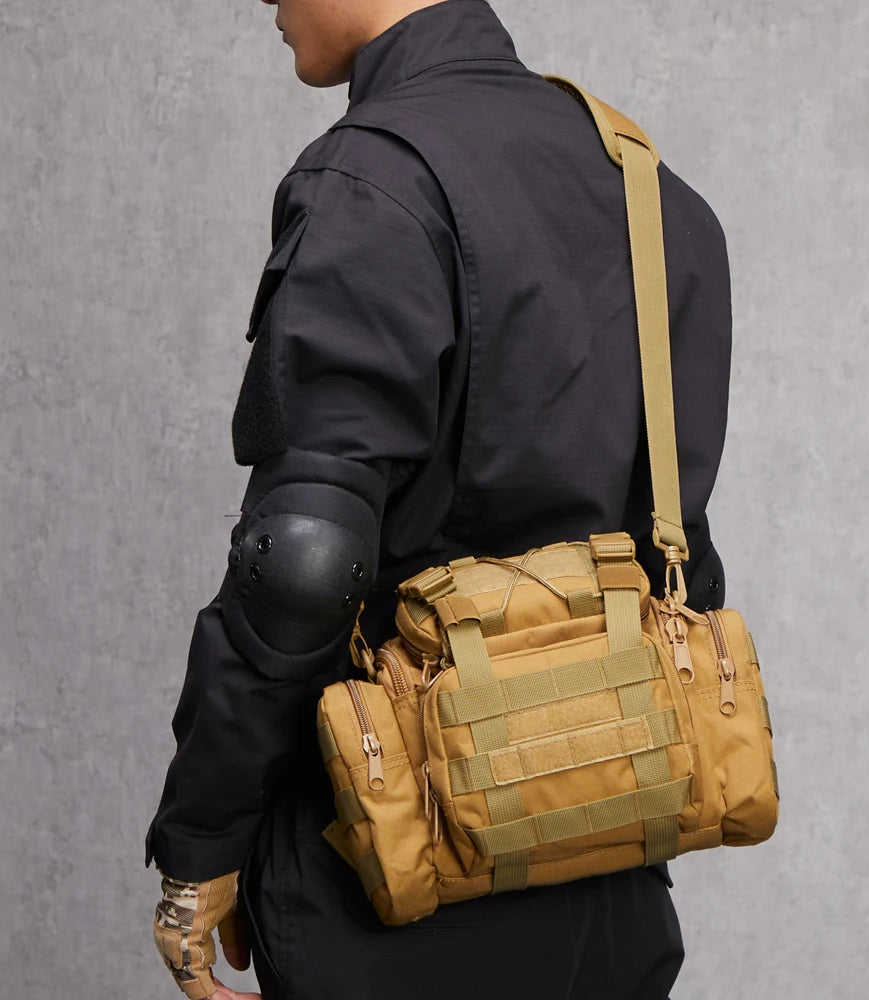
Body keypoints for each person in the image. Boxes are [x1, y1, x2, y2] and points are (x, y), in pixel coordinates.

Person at [147, 1, 733, 997]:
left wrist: (202, 840)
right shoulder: (654, 191)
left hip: (386, 870)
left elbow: (304, 567)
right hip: (608, 859)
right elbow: (677, 558)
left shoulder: (371, 182)